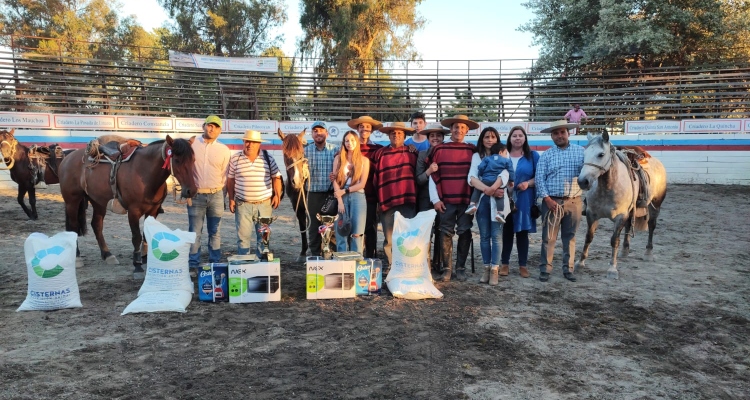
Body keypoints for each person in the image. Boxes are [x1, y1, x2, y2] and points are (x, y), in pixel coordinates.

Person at [428, 115, 479, 282]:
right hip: (446, 200)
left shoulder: (472, 150)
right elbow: (433, 176)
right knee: (445, 232)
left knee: (465, 232)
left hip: (466, 200)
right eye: (456, 127)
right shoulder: (439, 149)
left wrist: (475, 200)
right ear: (451, 129)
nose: (459, 130)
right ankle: (447, 269)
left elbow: (477, 176)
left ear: (467, 130)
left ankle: (461, 268)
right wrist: (435, 200)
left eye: (463, 128)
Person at [536, 119, 585, 282]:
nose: (559, 136)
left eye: (562, 132)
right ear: (552, 136)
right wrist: (547, 199)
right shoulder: (547, 155)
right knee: (548, 237)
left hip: (574, 201)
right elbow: (539, 178)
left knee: (569, 236)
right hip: (552, 201)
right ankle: (545, 268)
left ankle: (568, 268)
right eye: (556, 133)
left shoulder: (581, 152)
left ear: (568, 133)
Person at [226, 130, 283, 257]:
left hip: (264, 204)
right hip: (242, 205)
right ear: (243, 142)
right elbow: (230, 180)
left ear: (259, 144)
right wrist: (231, 198)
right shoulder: (235, 158)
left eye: (254, 142)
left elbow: (276, 177)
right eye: (247, 141)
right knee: (243, 239)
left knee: (264, 238)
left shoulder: (268, 157)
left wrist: (277, 195)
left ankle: (262, 266)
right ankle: (244, 266)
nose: (250, 145)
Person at [467, 127, 510, 285]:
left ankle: (494, 270)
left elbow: (505, 175)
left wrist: (494, 189)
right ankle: (486, 268)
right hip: (483, 200)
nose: (490, 140)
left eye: (493, 137)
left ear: (497, 139)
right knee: (484, 236)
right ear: (482, 139)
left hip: (498, 200)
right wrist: (488, 190)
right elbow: (472, 177)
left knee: (497, 237)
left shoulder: (503, 153)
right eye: (486, 137)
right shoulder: (477, 156)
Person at [372, 121, 418, 266]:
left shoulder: (412, 153)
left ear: (404, 136)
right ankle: (391, 265)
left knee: (407, 235)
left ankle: (406, 264)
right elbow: (374, 178)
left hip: (408, 199)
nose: (396, 135)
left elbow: (418, 175)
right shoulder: (380, 153)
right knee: (389, 237)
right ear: (388, 135)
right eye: (393, 133)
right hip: (387, 199)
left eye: (399, 133)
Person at [188, 115, 231, 268]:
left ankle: (215, 264)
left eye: (216, 126)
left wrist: (224, 196)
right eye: (210, 125)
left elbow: (226, 175)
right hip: (196, 195)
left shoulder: (224, 150)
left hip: (216, 195)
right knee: (194, 232)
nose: (212, 128)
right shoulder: (191, 146)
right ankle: (193, 264)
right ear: (203, 126)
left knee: (215, 231)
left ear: (220, 130)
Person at [501, 126, 540, 279]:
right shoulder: (503, 155)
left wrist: (528, 184)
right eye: (514, 135)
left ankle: (522, 265)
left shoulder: (533, 156)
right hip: (504, 200)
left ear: (525, 138)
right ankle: (505, 263)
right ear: (510, 138)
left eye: (520, 135)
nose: (517, 138)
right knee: (507, 232)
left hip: (524, 199)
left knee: (523, 233)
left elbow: (539, 176)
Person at [347, 115, 383, 259]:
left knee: (370, 227)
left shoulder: (378, 149)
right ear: (357, 129)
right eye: (361, 126)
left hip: (371, 194)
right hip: (351, 194)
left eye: (367, 127)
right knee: (352, 226)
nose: (364, 129)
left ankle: (370, 257)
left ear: (372, 130)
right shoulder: (348, 148)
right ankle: (352, 255)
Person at [415, 123, 449, 271]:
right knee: (425, 232)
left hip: (444, 198)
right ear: (428, 138)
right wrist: (429, 171)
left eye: (438, 135)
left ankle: (439, 263)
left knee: (442, 231)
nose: (435, 138)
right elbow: (419, 179)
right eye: (432, 136)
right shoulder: (422, 155)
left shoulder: (448, 152)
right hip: (425, 200)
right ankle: (425, 263)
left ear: (443, 137)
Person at [331, 130, 370, 254]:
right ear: (344, 142)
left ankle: (356, 261)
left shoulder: (364, 161)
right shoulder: (338, 158)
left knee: (357, 233)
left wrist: (345, 190)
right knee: (341, 231)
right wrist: (340, 201)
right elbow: (335, 180)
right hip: (341, 197)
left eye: (352, 140)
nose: (349, 143)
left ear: (357, 142)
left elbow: (362, 184)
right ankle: (341, 261)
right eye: (347, 141)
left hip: (358, 197)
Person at [304, 121, 338, 257]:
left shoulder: (335, 150)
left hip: (331, 194)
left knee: (331, 225)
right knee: (313, 225)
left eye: (321, 130)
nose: (318, 133)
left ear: (326, 133)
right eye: (315, 131)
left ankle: (331, 253)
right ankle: (314, 254)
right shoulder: (305, 151)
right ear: (312, 134)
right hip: (312, 194)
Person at [466, 142, 514, 224]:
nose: (507, 155)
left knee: (477, 190)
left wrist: (481, 174)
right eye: (505, 153)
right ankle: (500, 213)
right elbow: (511, 171)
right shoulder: (506, 160)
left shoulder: (487, 158)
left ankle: (472, 204)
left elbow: (480, 167)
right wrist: (512, 180)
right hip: (496, 182)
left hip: (486, 180)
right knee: (500, 195)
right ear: (500, 152)